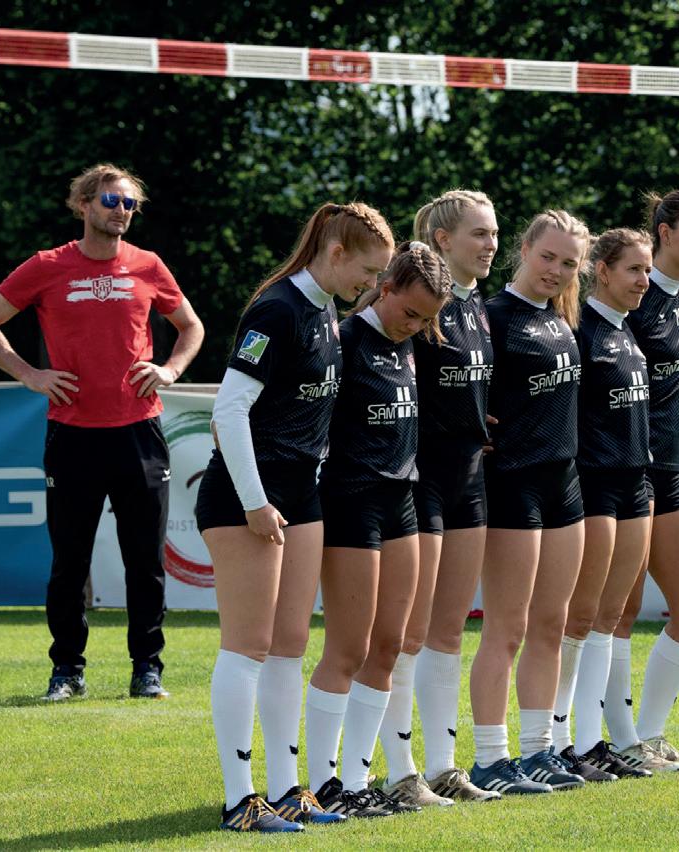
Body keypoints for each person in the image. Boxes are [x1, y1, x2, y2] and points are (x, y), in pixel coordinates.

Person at [196, 202, 394, 832]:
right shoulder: (277, 309)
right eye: (367, 271)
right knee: (249, 646)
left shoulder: (326, 311)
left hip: (302, 496)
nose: (371, 284)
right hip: (246, 497)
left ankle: (287, 791)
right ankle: (239, 801)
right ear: (335, 253)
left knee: (289, 647)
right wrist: (255, 502)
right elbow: (229, 410)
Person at [0, 163, 204, 702]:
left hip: (140, 433)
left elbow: (191, 326)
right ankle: (67, 671)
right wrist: (30, 375)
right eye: (110, 200)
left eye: (129, 203)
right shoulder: (47, 265)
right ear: (83, 205)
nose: (121, 210)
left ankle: (147, 669)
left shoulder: (149, 265)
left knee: (145, 561)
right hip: (73, 435)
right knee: (69, 563)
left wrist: (171, 370)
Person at [305, 243, 453, 818]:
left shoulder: (409, 343)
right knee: (349, 648)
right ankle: (324, 784)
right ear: (384, 287)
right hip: (351, 503)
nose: (415, 326)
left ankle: (358, 779)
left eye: (426, 319)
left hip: (402, 501)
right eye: (410, 312)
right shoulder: (343, 340)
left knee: (390, 646)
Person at [377, 191, 502, 805]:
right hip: (417, 478)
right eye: (479, 233)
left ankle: (444, 767)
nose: (491, 245)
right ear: (442, 240)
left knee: (449, 632)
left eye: (495, 233)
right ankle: (399, 773)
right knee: (407, 632)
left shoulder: (480, 306)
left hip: (469, 480)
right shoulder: (412, 301)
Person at [469, 210, 590, 795]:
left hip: (564, 484)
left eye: (568, 263)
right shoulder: (491, 317)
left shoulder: (564, 319)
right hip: (512, 484)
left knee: (552, 625)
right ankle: (490, 759)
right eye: (548, 257)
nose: (556, 270)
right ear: (523, 249)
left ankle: (540, 750)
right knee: (507, 629)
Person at [613, 189, 679, 769]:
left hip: (670, 474)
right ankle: (614, 743)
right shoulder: (635, 297)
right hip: (626, 474)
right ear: (664, 232)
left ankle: (647, 735)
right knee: (615, 617)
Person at [552, 228, 661, 779]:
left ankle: (592, 742)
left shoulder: (628, 329)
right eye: (634, 270)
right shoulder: (579, 330)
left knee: (611, 618)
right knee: (580, 616)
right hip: (594, 486)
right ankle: (556, 742)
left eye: (647, 271)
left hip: (636, 485)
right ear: (602, 271)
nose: (644, 281)